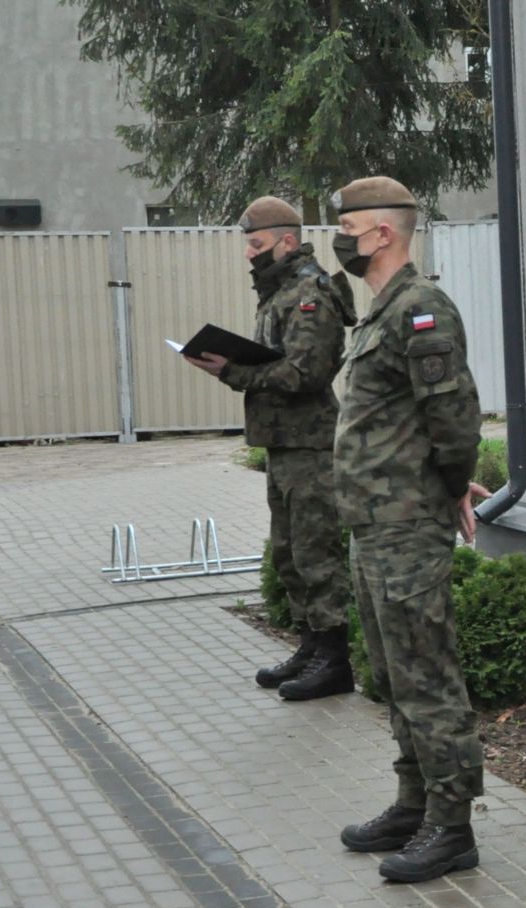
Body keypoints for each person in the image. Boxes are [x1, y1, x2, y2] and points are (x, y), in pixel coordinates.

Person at [328, 176, 487, 884]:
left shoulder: (421, 309)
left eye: (346, 228)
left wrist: (451, 487)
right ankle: (414, 801)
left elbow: (453, 415)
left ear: (383, 232)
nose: (338, 241)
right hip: (373, 524)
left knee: (427, 676)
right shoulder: (383, 311)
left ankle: (451, 826)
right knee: (394, 674)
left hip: (406, 525)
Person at [187, 196, 356, 700]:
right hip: (285, 443)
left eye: (256, 243)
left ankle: (334, 660)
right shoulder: (280, 291)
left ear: (286, 241)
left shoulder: (308, 294)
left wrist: (233, 371)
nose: (249, 253)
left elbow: (306, 373)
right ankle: (311, 646)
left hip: (311, 445)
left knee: (315, 553)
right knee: (289, 553)